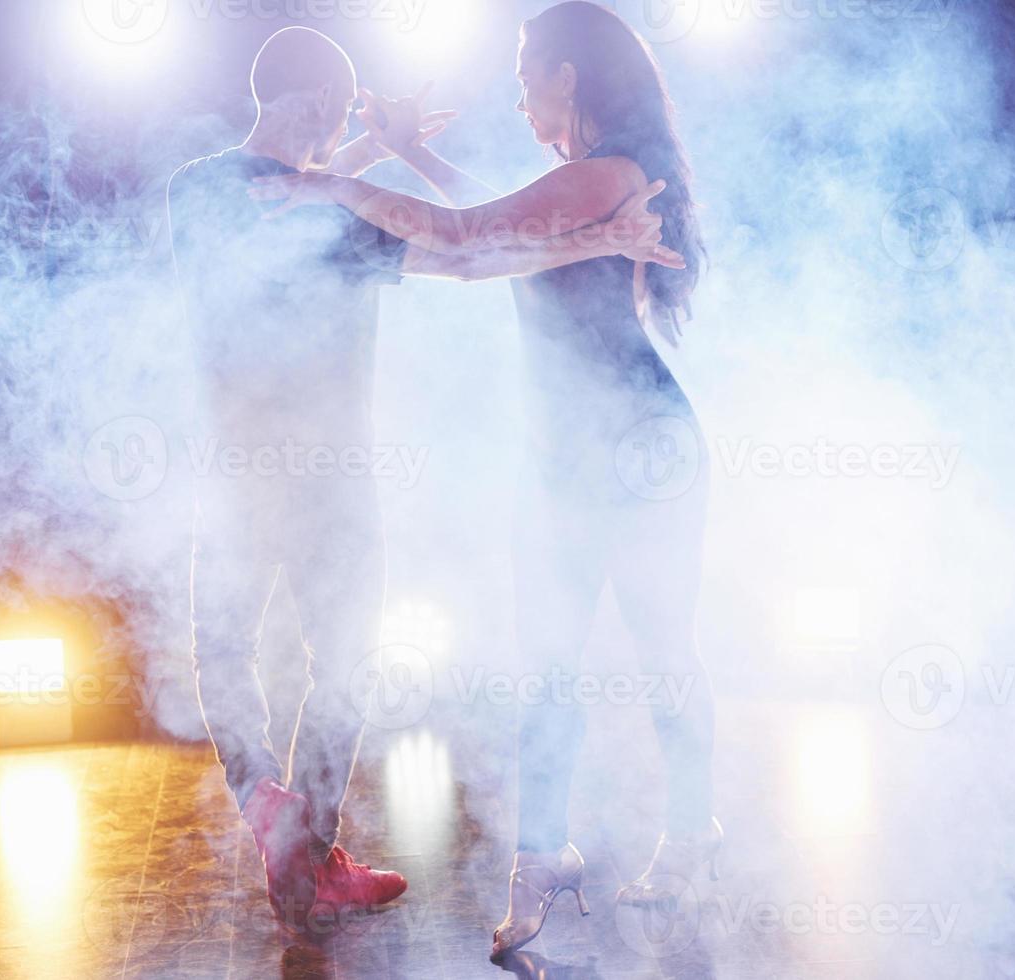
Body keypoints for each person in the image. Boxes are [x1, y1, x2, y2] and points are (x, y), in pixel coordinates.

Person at [167, 24, 679, 931]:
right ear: (323, 107)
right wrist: (602, 239)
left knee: (224, 657)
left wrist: (375, 147)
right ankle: (304, 847)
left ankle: (278, 828)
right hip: (330, 477)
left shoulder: (193, 193)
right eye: (334, 122)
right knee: (343, 666)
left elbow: (279, 179)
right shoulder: (334, 214)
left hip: (234, 471)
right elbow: (472, 257)